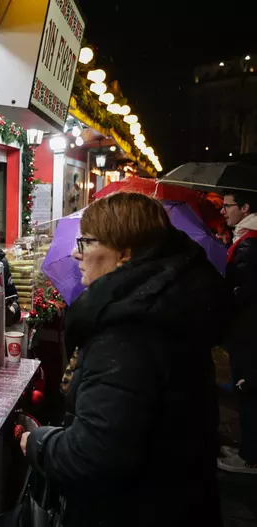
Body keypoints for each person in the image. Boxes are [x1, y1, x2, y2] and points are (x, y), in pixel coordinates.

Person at [19, 193, 225, 526]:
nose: (76, 253)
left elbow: (94, 455)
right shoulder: (168, 308)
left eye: (86, 242)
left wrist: (38, 443)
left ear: (124, 253)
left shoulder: (130, 331)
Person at [218, 189, 257, 474]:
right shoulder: (244, 240)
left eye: (227, 206)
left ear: (244, 208)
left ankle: (250, 457)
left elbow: (242, 291)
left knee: (249, 387)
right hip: (246, 329)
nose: (223, 211)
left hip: (248, 332)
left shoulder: (250, 244)